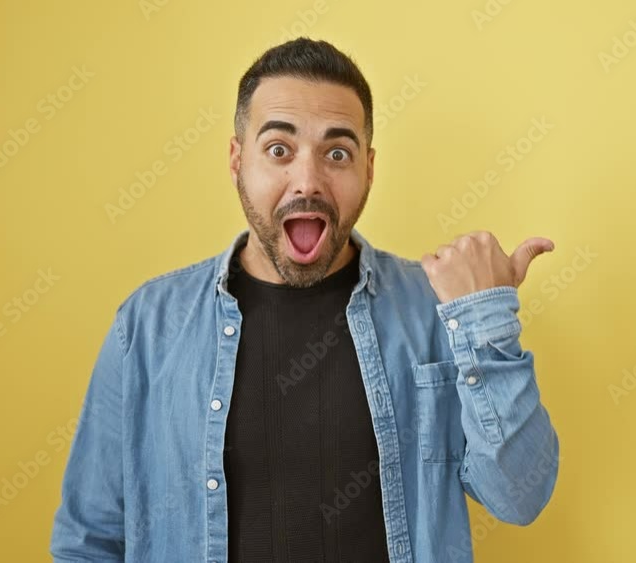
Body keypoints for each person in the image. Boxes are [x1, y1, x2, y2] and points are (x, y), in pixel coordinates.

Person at [50, 37, 559, 563]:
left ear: (369, 169)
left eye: (337, 153)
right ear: (236, 159)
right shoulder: (149, 326)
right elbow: (88, 539)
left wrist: (485, 318)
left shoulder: (437, 308)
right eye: (279, 150)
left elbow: (519, 496)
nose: (308, 181)